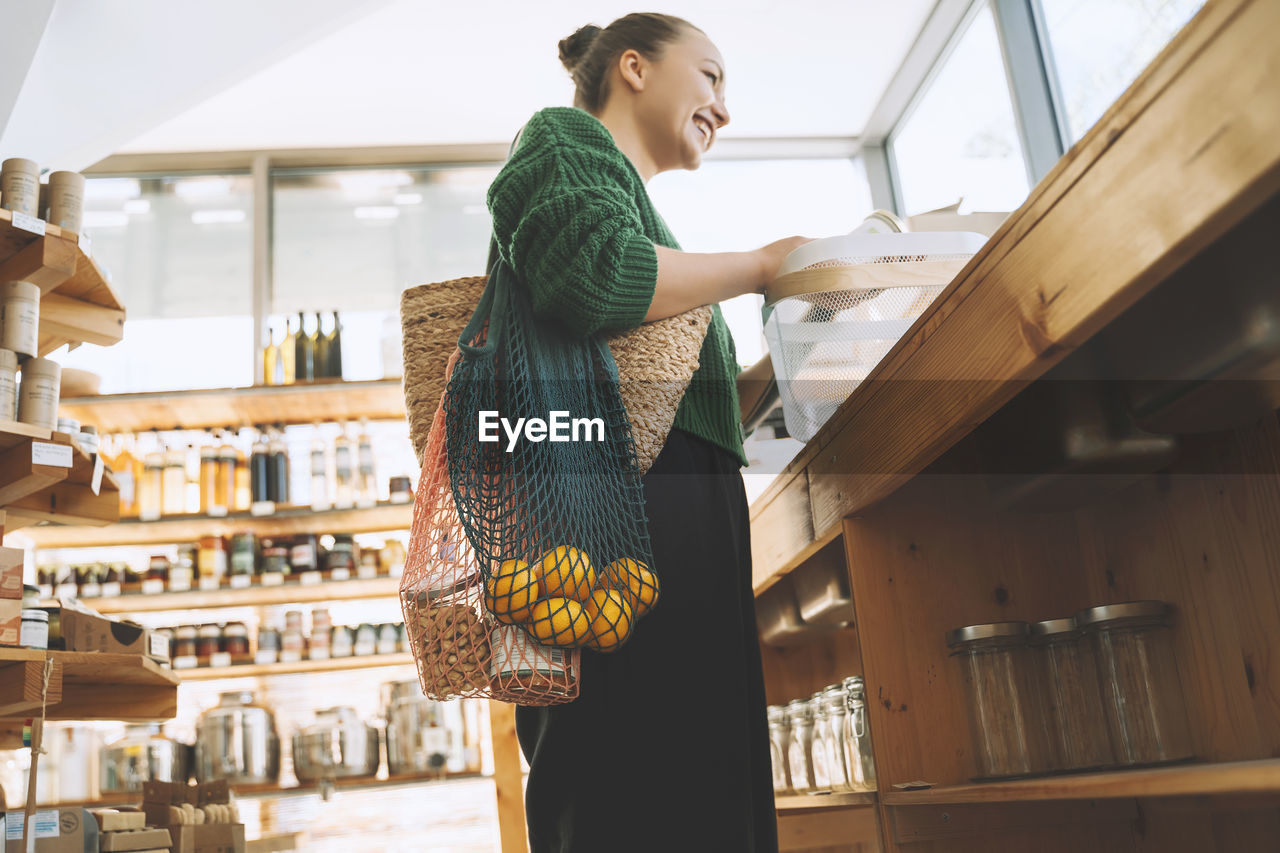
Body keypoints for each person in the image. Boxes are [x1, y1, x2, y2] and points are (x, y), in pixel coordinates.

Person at [486, 12, 810, 852]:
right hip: (614, 519)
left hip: (654, 514)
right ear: (633, 67)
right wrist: (764, 265)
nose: (723, 108)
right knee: (636, 781)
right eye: (710, 76)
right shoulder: (562, 139)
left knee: (682, 779)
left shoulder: (642, 213)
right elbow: (591, 273)